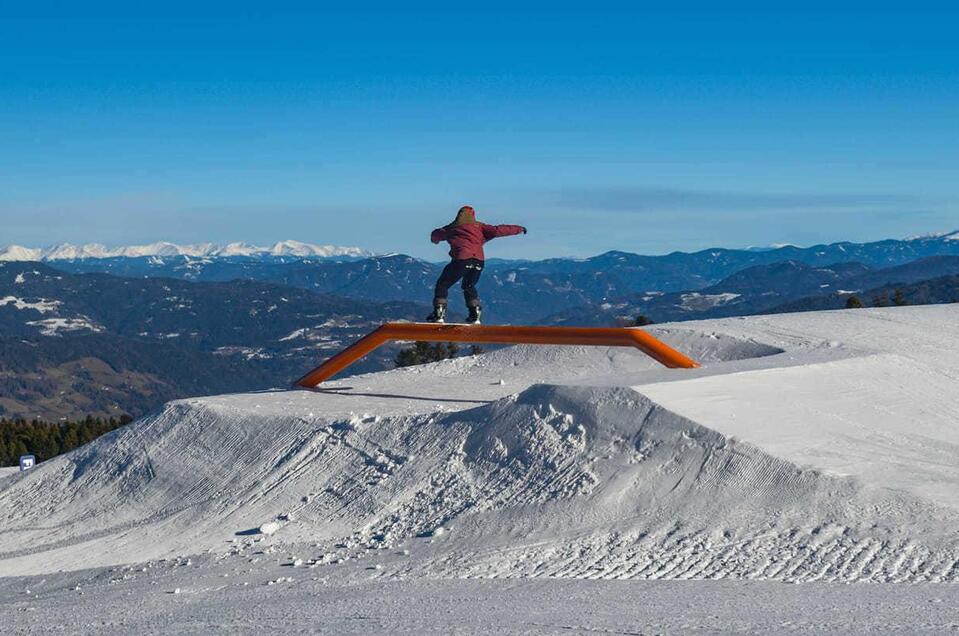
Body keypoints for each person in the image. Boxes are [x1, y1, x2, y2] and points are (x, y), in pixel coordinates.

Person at [426, 205, 526, 324]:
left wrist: (435, 240)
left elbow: (436, 235)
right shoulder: (480, 227)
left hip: (461, 259)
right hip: (479, 260)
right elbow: (499, 230)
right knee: (469, 286)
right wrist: (519, 229)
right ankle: (475, 315)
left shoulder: (451, 228)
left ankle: (439, 314)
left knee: (443, 284)